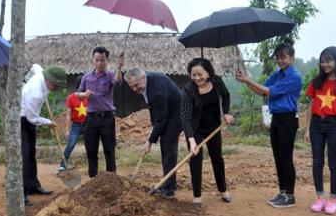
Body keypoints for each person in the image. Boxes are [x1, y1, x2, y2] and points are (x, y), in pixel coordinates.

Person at [236, 39, 303, 208]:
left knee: (286, 157)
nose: (280, 60)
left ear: (292, 58)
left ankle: (290, 195)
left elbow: (269, 91)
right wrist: (246, 80)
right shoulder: (278, 74)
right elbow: (261, 91)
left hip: (288, 118)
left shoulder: (294, 76)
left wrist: (247, 80)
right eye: (278, 57)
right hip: (277, 118)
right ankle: (282, 192)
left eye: (284, 57)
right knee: (278, 156)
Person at [304, 46, 336, 215]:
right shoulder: (317, 81)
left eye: (329, 61)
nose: (325, 64)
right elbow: (310, 105)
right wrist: (307, 129)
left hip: (335, 125)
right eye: (323, 61)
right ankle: (319, 198)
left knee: (334, 163)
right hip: (317, 124)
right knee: (317, 162)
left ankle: (333, 200)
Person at [181, 58, 234, 206]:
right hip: (194, 129)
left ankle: (223, 190)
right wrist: (191, 140)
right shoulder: (188, 91)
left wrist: (226, 113)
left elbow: (226, 95)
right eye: (193, 75)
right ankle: (197, 195)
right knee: (195, 160)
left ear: (208, 73)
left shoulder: (216, 82)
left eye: (200, 74)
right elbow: (185, 117)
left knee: (217, 158)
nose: (197, 78)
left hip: (213, 126)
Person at [124, 67, 182, 198]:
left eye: (136, 85)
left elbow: (161, 119)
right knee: (165, 145)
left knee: (168, 146)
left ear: (143, 77)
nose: (134, 89)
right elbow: (155, 112)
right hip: (168, 112)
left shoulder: (156, 92)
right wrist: (153, 130)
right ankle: (168, 182)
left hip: (177, 115)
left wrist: (149, 142)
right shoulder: (147, 81)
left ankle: (169, 189)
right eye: (131, 87)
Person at [21, 66, 67, 206]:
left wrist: (26, 78)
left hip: (29, 120)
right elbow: (32, 118)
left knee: (31, 154)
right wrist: (48, 122)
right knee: (24, 156)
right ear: (47, 80)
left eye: (58, 85)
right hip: (22, 121)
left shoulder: (41, 73)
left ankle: (33, 186)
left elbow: (34, 66)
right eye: (54, 85)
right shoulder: (35, 92)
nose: (56, 88)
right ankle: (21, 193)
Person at [76, 47, 124, 177]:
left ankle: (112, 179)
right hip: (91, 118)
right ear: (93, 60)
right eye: (97, 60)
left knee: (109, 149)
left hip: (107, 118)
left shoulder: (110, 75)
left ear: (106, 60)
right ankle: (93, 179)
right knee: (91, 150)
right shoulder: (86, 76)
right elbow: (78, 94)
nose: (99, 63)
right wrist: (84, 94)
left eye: (102, 60)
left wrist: (119, 67)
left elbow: (118, 82)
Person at [56, 75, 87, 173]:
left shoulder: (89, 96)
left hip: (88, 124)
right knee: (70, 145)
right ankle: (62, 165)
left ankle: (93, 168)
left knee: (91, 145)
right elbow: (69, 115)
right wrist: (67, 129)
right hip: (76, 125)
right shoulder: (71, 98)